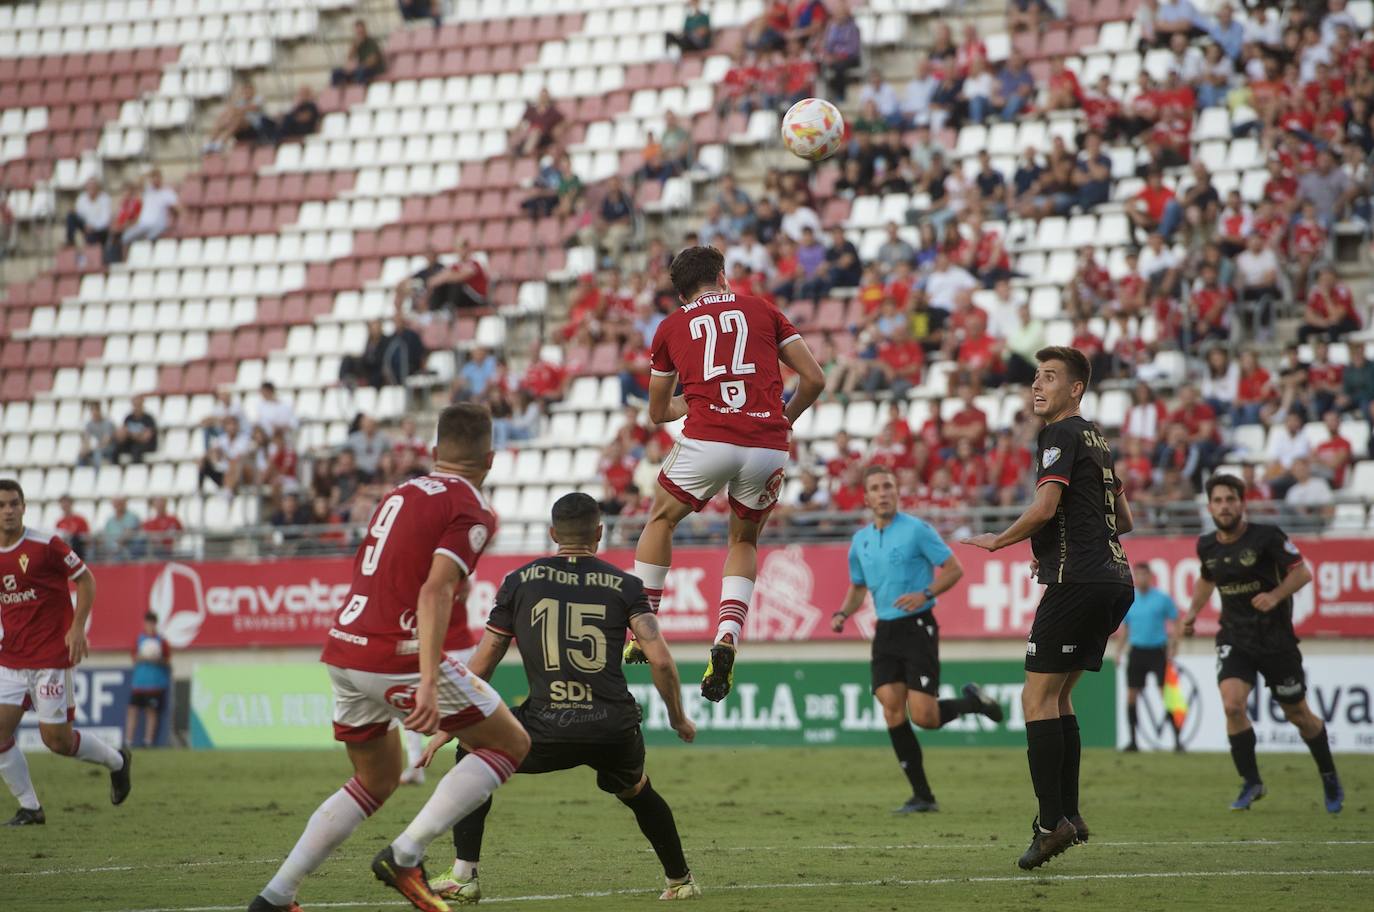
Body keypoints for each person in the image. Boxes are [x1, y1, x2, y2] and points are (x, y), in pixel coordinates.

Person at [249, 405, 530, 912]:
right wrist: (428, 680)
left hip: (345, 644)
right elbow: (435, 591)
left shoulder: (400, 492)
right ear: (490, 460)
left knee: (375, 779)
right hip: (394, 653)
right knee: (510, 743)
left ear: (434, 452)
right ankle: (405, 856)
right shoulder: (472, 508)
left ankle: (276, 895)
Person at [418, 494, 701, 902]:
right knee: (636, 790)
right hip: (612, 726)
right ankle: (680, 880)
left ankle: (464, 875)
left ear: (552, 533)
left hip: (545, 723)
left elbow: (485, 660)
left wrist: (454, 725)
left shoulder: (519, 582)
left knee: (473, 751)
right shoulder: (627, 586)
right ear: (599, 533)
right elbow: (660, 661)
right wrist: (678, 718)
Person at [625, 246, 826, 702]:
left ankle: (643, 628)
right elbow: (814, 379)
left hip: (709, 438)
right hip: (767, 443)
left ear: (680, 294)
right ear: (721, 276)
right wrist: (784, 419)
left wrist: (694, 399)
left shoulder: (670, 326)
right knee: (743, 540)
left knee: (661, 520)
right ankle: (727, 635)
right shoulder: (762, 309)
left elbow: (658, 411)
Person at [962, 347, 1134, 869]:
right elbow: (1123, 519)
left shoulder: (1058, 434)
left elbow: (1045, 507)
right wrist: (1056, 548)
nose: (1037, 385)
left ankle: (1049, 823)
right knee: (1058, 697)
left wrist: (1000, 541)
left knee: (1034, 699)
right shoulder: (1098, 439)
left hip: (1077, 581)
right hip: (1114, 579)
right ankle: (1070, 815)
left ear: (1076, 389)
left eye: (1050, 377)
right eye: (1036, 376)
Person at [831, 465, 1004, 813]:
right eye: (876, 488)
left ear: (897, 492)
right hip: (885, 630)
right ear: (866, 498)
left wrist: (925, 594)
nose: (883, 493)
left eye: (888, 486)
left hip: (918, 627)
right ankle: (923, 796)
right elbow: (858, 586)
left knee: (925, 717)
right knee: (891, 708)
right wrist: (842, 613)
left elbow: (954, 569)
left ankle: (974, 703)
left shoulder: (917, 530)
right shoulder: (860, 541)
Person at [1182, 475, 1343, 813]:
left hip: (1276, 639)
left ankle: (1328, 775)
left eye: (1230, 499)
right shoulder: (1207, 545)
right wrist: (1192, 613)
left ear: (1242, 503)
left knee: (1298, 714)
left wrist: (1275, 595)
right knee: (1232, 706)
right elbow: (1207, 579)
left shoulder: (1267, 536)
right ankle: (1251, 781)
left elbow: (1302, 572)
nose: (1225, 506)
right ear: (1209, 507)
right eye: (1218, 501)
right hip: (1234, 637)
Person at [0, 480, 132, 826]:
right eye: (1, 505)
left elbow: (86, 580)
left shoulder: (46, 545)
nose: (8, 511)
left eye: (13, 504)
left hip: (49, 659)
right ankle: (30, 807)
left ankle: (118, 762)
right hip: (10, 659)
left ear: (24, 507)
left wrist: (77, 627)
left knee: (56, 741)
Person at [1116, 562, 1182, 752]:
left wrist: (1174, 645)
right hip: (1136, 651)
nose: (1140, 578)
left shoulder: (1162, 599)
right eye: (1137, 575)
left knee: (1166, 695)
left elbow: (1177, 621)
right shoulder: (1130, 599)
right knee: (1131, 696)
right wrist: (1119, 651)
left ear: (1150, 577)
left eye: (1144, 575)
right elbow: (1125, 628)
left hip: (1157, 651)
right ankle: (1133, 741)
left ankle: (1177, 740)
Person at [125, 612, 170, 749]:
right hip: (139, 683)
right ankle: (128, 741)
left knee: (151, 712)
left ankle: (148, 742)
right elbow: (134, 658)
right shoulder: (139, 639)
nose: (149, 626)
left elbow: (167, 661)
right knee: (133, 710)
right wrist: (142, 657)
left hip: (155, 684)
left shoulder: (161, 641)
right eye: (147, 623)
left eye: (152, 623)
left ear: (155, 624)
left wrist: (157, 660)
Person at [117, 170, 179, 260]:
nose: (155, 180)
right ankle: (125, 261)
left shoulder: (167, 192)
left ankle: (150, 260)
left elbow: (177, 209)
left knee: (149, 238)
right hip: (143, 224)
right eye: (153, 178)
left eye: (157, 177)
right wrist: (147, 174)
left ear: (161, 178)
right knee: (125, 238)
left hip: (158, 225)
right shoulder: (147, 190)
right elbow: (138, 183)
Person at [332, 19, 386, 86]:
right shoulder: (356, 43)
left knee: (361, 72)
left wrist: (357, 67)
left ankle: (357, 89)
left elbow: (372, 61)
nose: (360, 34)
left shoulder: (371, 42)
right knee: (336, 72)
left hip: (373, 69)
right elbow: (349, 58)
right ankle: (338, 90)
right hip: (360, 68)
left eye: (361, 31)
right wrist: (355, 46)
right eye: (358, 32)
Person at [65, 178, 111, 252]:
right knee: (71, 216)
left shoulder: (104, 199)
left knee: (92, 241)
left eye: (93, 187)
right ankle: (70, 242)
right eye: (89, 187)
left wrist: (93, 227)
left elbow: (105, 221)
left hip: (99, 230)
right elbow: (79, 215)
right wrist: (85, 224)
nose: (91, 189)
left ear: (97, 188)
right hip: (86, 226)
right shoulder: (82, 198)